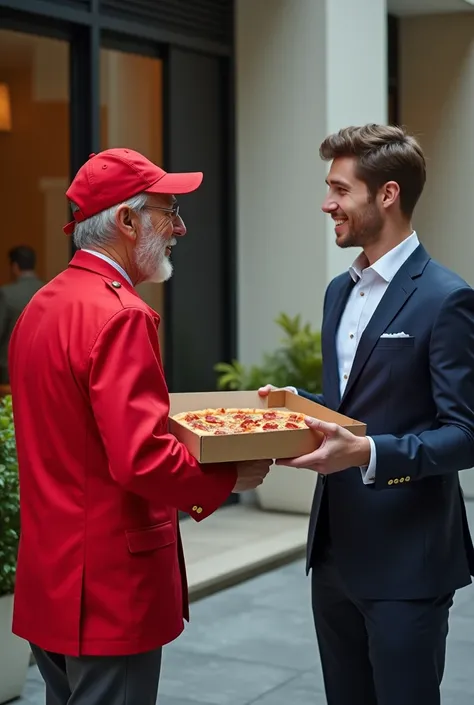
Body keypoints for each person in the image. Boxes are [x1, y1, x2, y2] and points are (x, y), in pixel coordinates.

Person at [8, 148, 271, 705]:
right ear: (126, 221)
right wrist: (226, 477)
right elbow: (140, 457)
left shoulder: (42, 305)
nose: (180, 226)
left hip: (52, 579)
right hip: (109, 587)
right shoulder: (121, 313)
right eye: (167, 210)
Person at [259, 124, 474, 705]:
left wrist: (372, 453)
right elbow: (353, 406)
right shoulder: (338, 291)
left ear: (388, 194)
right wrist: (296, 406)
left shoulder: (446, 297)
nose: (327, 202)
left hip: (409, 561)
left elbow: (464, 435)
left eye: (339, 189)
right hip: (333, 554)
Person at [0, 245, 43, 383]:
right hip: (41, 365)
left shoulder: (6, 294)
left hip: (10, 366)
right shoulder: (48, 289)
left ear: (14, 266)